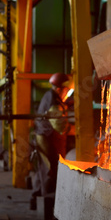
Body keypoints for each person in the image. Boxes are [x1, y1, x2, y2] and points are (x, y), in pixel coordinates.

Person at [30, 72, 72, 209]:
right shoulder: (53, 101)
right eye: (67, 91)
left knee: (44, 168)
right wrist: (77, 130)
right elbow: (59, 125)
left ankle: (38, 198)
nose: (67, 94)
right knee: (48, 169)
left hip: (45, 135)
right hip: (46, 138)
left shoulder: (53, 97)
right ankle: (46, 202)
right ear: (59, 89)